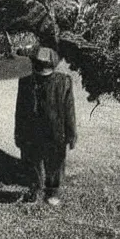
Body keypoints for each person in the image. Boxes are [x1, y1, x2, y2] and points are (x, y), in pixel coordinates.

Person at [14, 46, 77, 206]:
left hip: (56, 132)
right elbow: (20, 111)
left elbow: (69, 110)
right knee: (31, 161)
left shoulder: (64, 81)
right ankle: (34, 190)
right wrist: (18, 134)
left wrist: (71, 134)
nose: (42, 70)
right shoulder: (25, 82)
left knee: (55, 163)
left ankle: (52, 193)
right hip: (31, 131)